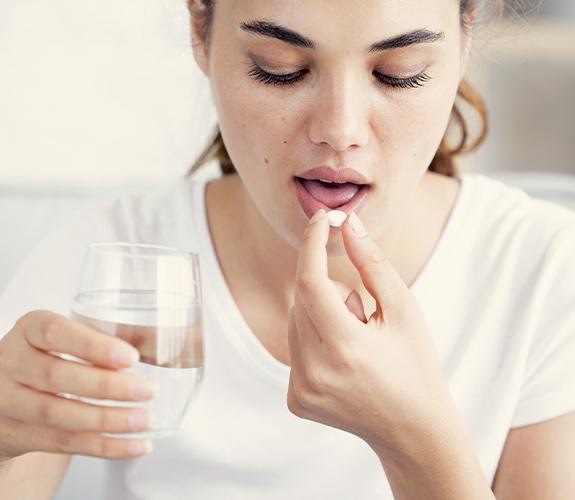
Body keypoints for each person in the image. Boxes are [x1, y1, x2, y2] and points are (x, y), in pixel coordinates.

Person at [1, 0, 574, 498]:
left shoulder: (546, 271)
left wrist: (416, 443)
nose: (340, 129)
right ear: (201, 33)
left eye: (399, 73)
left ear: (465, 38)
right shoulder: (109, 265)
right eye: (280, 70)